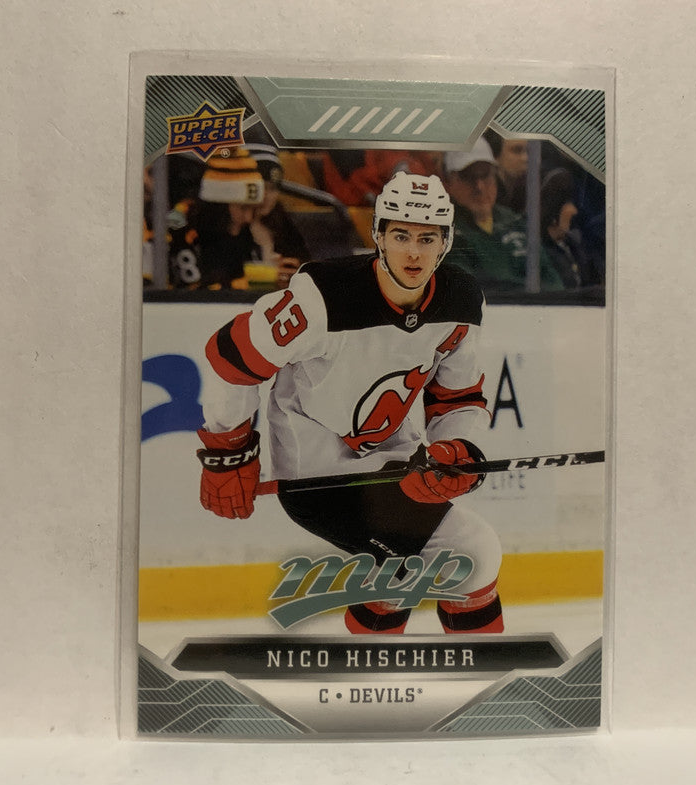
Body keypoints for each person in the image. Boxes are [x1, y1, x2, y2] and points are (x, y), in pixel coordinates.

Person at [195, 172, 504, 635]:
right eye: (401, 236)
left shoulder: (460, 298)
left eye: (427, 238)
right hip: (315, 476)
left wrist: (453, 449)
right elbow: (233, 356)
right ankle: (427, 669)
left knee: (431, 567)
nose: (414, 253)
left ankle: (426, 666)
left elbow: (457, 396)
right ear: (378, 235)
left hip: (396, 464)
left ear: (446, 241)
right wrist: (229, 447)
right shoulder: (323, 297)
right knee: (463, 555)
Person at [443, 137, 564, 292]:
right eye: (468, 177)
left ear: (495, 176)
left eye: (486, 175)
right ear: (449, 183)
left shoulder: (515, 221)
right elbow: (469, 291)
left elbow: (553, 282)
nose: (479, 187)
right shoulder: (446, 230)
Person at [167, 147, 265, 289]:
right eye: (243, 208)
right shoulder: (180, 230)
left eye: (254, 209)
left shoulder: (244, 235)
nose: (248, 218)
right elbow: (193, 293)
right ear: (219, 205)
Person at [245, 143, 311, 281]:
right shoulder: (231, 228)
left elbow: (304, 266)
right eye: (262, 187)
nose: (268, 196)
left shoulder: (284, 224)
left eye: (273, 189)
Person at [540, 168, 603, 289]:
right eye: (569, 203)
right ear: (554, 206)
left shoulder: (575, 246)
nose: (574, 210)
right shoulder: (540, 251)